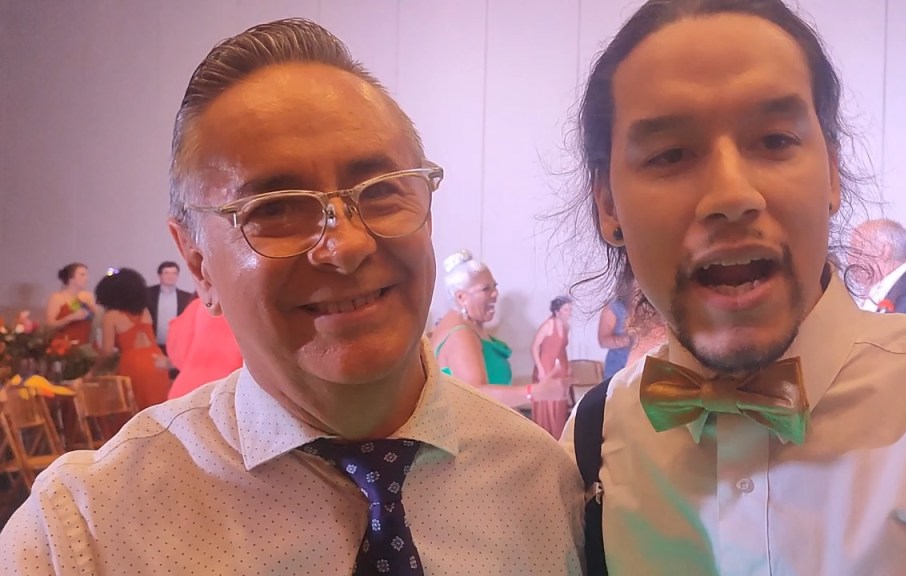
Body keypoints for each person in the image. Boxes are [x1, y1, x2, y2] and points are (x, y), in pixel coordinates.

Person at [1, 19, 583, 574]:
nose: (346, 246)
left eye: (381, 191)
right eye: (276, 209)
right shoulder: (82, 536)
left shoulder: (544, 487)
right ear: (198, 263)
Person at [560, 1, 906, 574]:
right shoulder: (590, 446)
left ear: (831, 172)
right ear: (608, 204)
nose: (732, 195)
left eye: (775, 140)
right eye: (670, 153)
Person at [430, 249, 531, 408]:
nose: (495, 294)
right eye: (486, 289)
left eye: (494, 287)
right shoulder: (460, 334)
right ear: (461, 297)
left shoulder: (468, 324)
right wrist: (535, 392)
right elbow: (476, 396)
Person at [94, 267, 171, 410]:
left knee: (135, 409)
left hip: (133, 363)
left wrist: (94, 370)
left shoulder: (111, 317)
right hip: (156, 359)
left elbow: (107, 352)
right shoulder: (144, 311)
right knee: (158, 407)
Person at [165, 296, 243, 399]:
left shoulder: (199, 305)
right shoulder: (249, 309)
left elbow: (178, 349)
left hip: (185, 391)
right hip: (226, 393)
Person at [530, 296, 573, 437]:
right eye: (566, 309)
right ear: (557, 311)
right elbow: (534, 347)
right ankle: (545, 436)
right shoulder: (548, 326)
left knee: (560, 403)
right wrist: (540, 370)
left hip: (560, 367)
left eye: (570, 309)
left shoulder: (566, 327)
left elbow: (562, 349)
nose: (569, 312)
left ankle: (558, 436)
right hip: (546, 366)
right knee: (547, 403)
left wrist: (568, 366)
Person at [145, 260, 196, 352]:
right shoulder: (147, 294)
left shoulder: (187, 297)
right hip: (152, 346)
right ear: (160, 275)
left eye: (174, 273)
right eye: (166, 273)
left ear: (178, 276)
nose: (170, 276)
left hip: (177, 346)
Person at [44, 262, 96, 345]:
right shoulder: (58, 297)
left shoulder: (87, 297)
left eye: (86, 275)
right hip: (65, 345)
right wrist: (70, 318)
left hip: (85, 344)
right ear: (71, 278)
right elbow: (50, 325)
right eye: (82, 275)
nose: (87, 279)